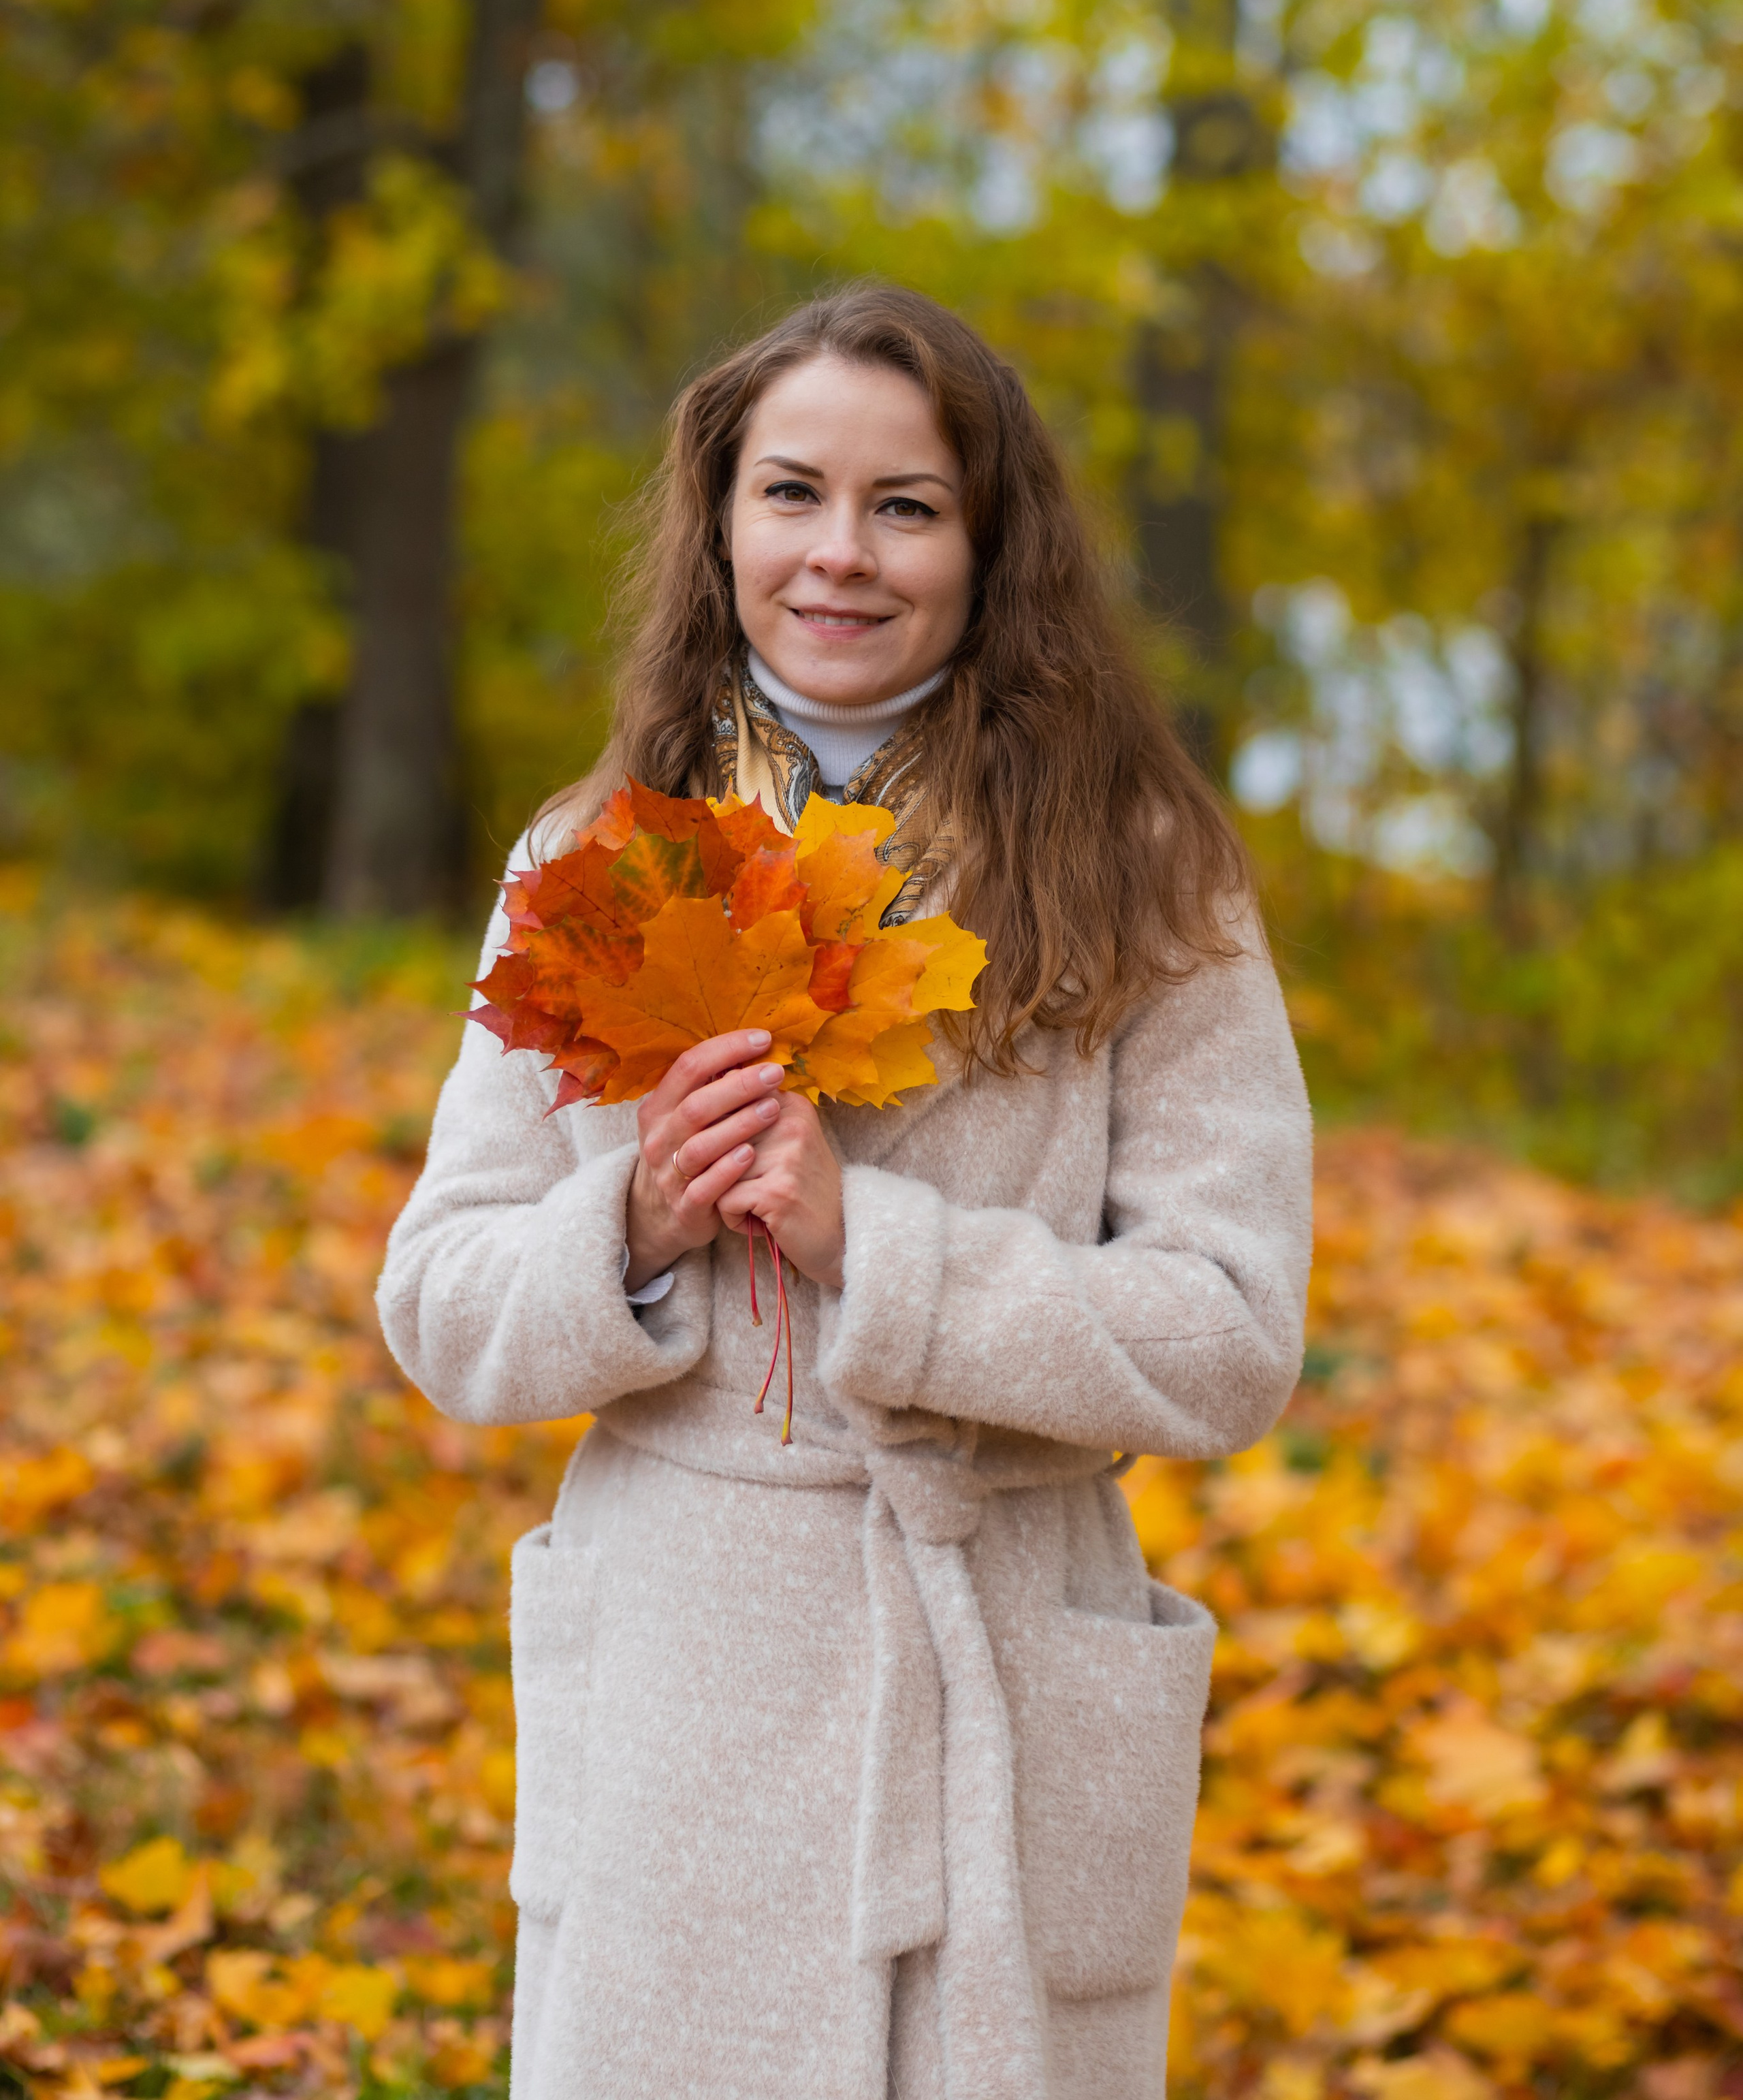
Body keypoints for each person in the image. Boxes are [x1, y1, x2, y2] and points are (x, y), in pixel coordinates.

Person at [379, 282, 1313, 2100]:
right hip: (677, 1706)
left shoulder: (1147, 870)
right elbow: (441, 1306)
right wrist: (631, 1226)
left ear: (988, 545)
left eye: (909, 505)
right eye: (792, 493)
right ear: (721, 522)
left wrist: (881, 1255)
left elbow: (1230, 1334)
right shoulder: (590, 858)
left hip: (990, 1695)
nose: (841, 555)